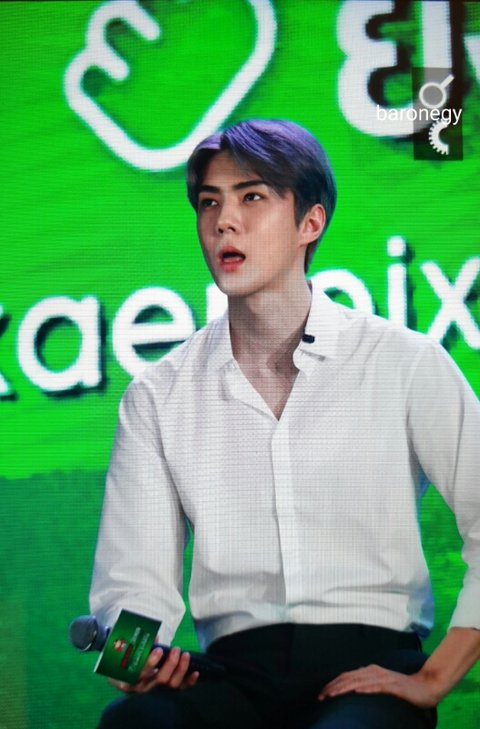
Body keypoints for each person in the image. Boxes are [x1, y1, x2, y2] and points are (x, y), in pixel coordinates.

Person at [91, 119, 480, 728]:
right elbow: (132, 583)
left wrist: (435, 676)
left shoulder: (403, 361)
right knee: (133, 723)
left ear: (310, 223)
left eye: (251, 197)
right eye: (209, 202)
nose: (224, 222)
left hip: (370, 665)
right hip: (232, 675)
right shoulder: (157, 396)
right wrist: (130, 660)